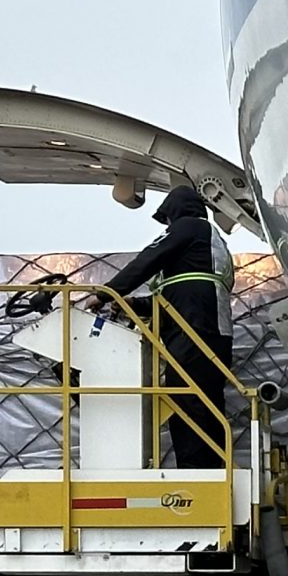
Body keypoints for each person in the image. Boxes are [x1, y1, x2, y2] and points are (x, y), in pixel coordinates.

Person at [95, 182, 235, 469]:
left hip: (191, 333)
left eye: (168, 219)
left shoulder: (189, 227)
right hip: (212, 331)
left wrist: (107, 292)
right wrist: (137, 306)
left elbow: (148, 259)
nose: (168, 225)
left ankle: (196, 477)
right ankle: (215, 471)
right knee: (207, 404)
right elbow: (181, 296)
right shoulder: (210, 247)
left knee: (187, 402)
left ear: (175, 212)